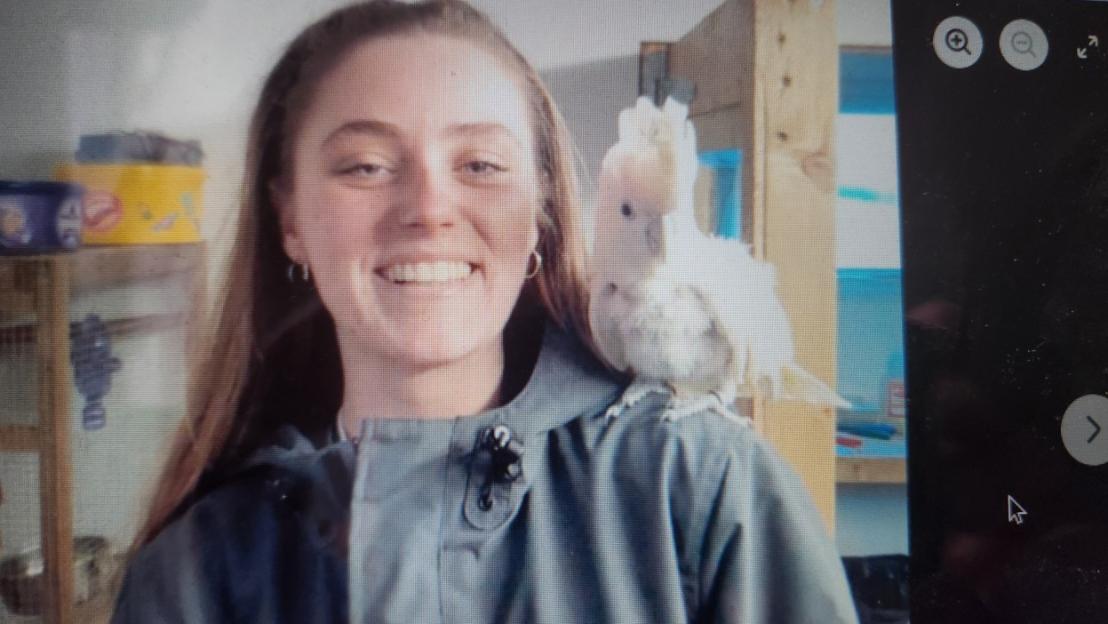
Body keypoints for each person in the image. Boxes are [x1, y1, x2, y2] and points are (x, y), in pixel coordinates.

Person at [110, 1, 858, 622]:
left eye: (481, 165)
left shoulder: (701, 491)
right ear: (290, 219)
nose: (430, 210)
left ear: (537, 212)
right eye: (366, 166)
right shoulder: (195, 575)